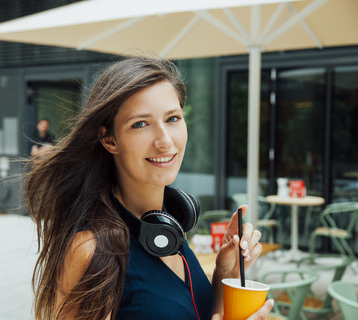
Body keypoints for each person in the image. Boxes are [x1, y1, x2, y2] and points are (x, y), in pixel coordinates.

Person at [24, 57, 274, 320]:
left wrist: (226, 275)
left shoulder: (169, 227)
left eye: (173, 118)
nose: (165, 141)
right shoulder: (91, 249)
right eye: (141, 124)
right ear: (109, 140)